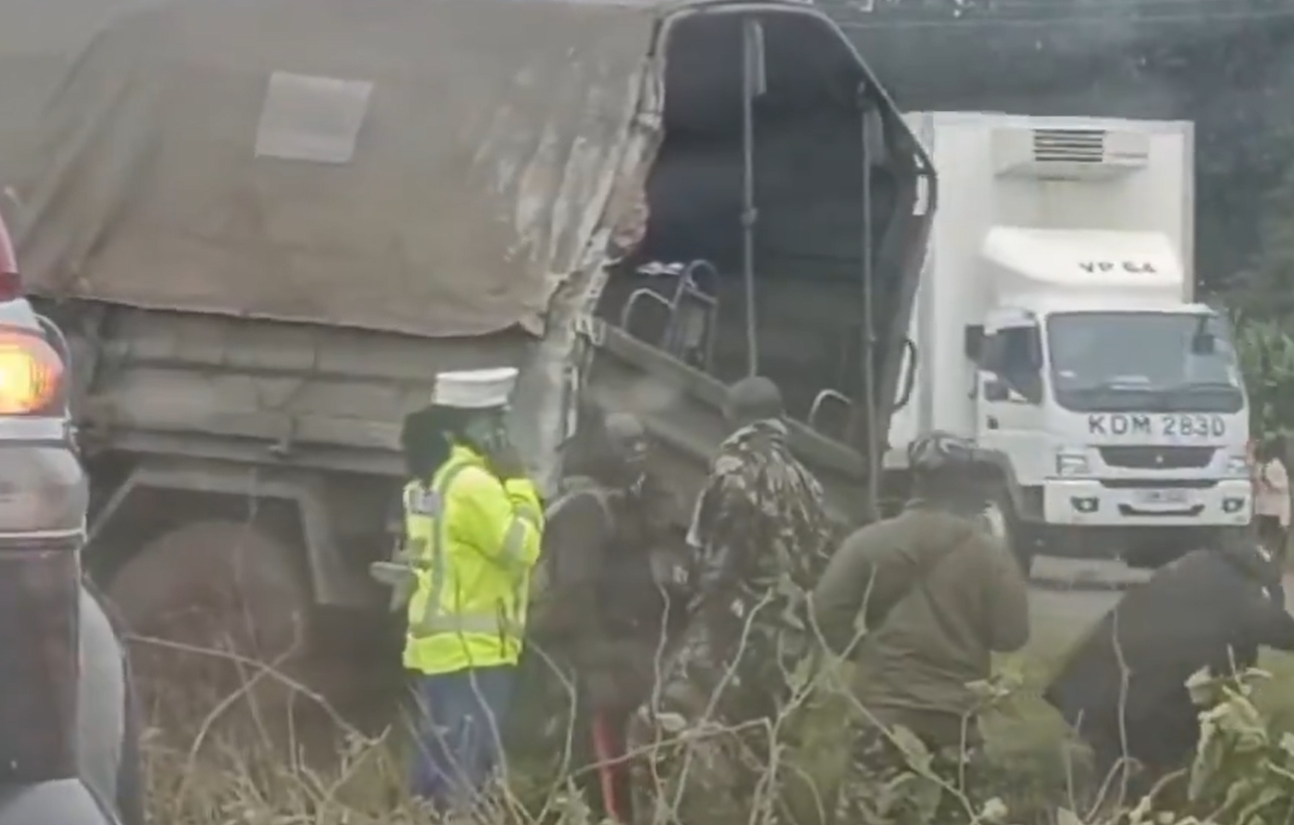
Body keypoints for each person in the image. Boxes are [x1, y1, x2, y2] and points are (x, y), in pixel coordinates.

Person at [810, 430, 1029, 823]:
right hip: (954, 722)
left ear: (915, 479)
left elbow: (826, 611)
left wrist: (865, 654)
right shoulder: (990, 553)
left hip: (882, 714)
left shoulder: (869, 542)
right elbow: (1012, 635)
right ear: (966, 482)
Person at [377, 366, 544, 809]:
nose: (502, 433)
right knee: (466, 769)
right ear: (472, 425)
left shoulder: (429, 480)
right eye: (497, 421)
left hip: (439, 646)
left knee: (436, 759)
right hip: (477, 651)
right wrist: (521, 486)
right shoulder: (474, 484)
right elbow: (520, 548)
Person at [528, 412, 693, 824]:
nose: (638, 454)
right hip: (590, 660)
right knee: (595, 767)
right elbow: (576, 590)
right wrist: (597, 656)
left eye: (642, 444)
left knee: (618, 761)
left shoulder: (622, 502)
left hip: (623, 653)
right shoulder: (584, 508)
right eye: (628, 445)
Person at [1043, 535, 1294, 805]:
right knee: (1155, 786)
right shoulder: (1242, 594)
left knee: (1105, 776)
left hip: (1091, 685)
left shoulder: (1195, 564)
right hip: (1144, 704)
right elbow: (1282, 632)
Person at [652, 375, 833, 731]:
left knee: (682, 724)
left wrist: (701, 640)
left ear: (729, 416)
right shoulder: (807, 483)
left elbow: (719, 568)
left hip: (734, 636)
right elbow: (817, 561)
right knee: (764, 737)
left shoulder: (732, 471)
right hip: (788, 643)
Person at [1253, 437, 1290, 558]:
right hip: (1265, 507)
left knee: (1276, 534)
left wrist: (1271, 484)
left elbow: (1284, 487)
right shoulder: (1262, 467)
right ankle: (1266, 554)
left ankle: (1274, 556)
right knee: (1264, 533)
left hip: (1276, 509)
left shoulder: (1276, 466)